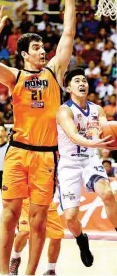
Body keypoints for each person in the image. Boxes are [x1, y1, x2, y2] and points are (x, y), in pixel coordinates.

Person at [0, 0, 75, 275]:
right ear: (25, 55)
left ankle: (29, 273)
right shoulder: (15, 76)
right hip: (17, 152)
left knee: (39, 220)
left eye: (44, 48)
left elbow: (67, 36)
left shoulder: (54, 71)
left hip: (45, 157)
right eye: (37, 49)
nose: (43, 52)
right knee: (9, 216)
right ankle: (4, 273)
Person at [56, 67, 117, 267]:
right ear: (68, 87)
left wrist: (104, 139)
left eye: (84, 80)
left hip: (90, 159)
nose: (82, 83)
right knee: (71, 219)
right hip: (69, 164)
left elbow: (102, 129)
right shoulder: (64, 110)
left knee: (107, 194)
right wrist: (93, 142)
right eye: (77, 81)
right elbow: (73, 135)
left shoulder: (96, 109)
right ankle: (82, 240)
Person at [9, 197, 64, 276]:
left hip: (46, 201)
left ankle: (50, 270)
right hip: (27, 200)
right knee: (25, 231)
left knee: (57, 235)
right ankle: (15, 258)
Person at [0, 124, 8, 198]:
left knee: (6, 198)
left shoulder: (9, 147)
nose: (0, 133)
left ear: (5, 132)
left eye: (2, 131)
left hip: (6, 175)